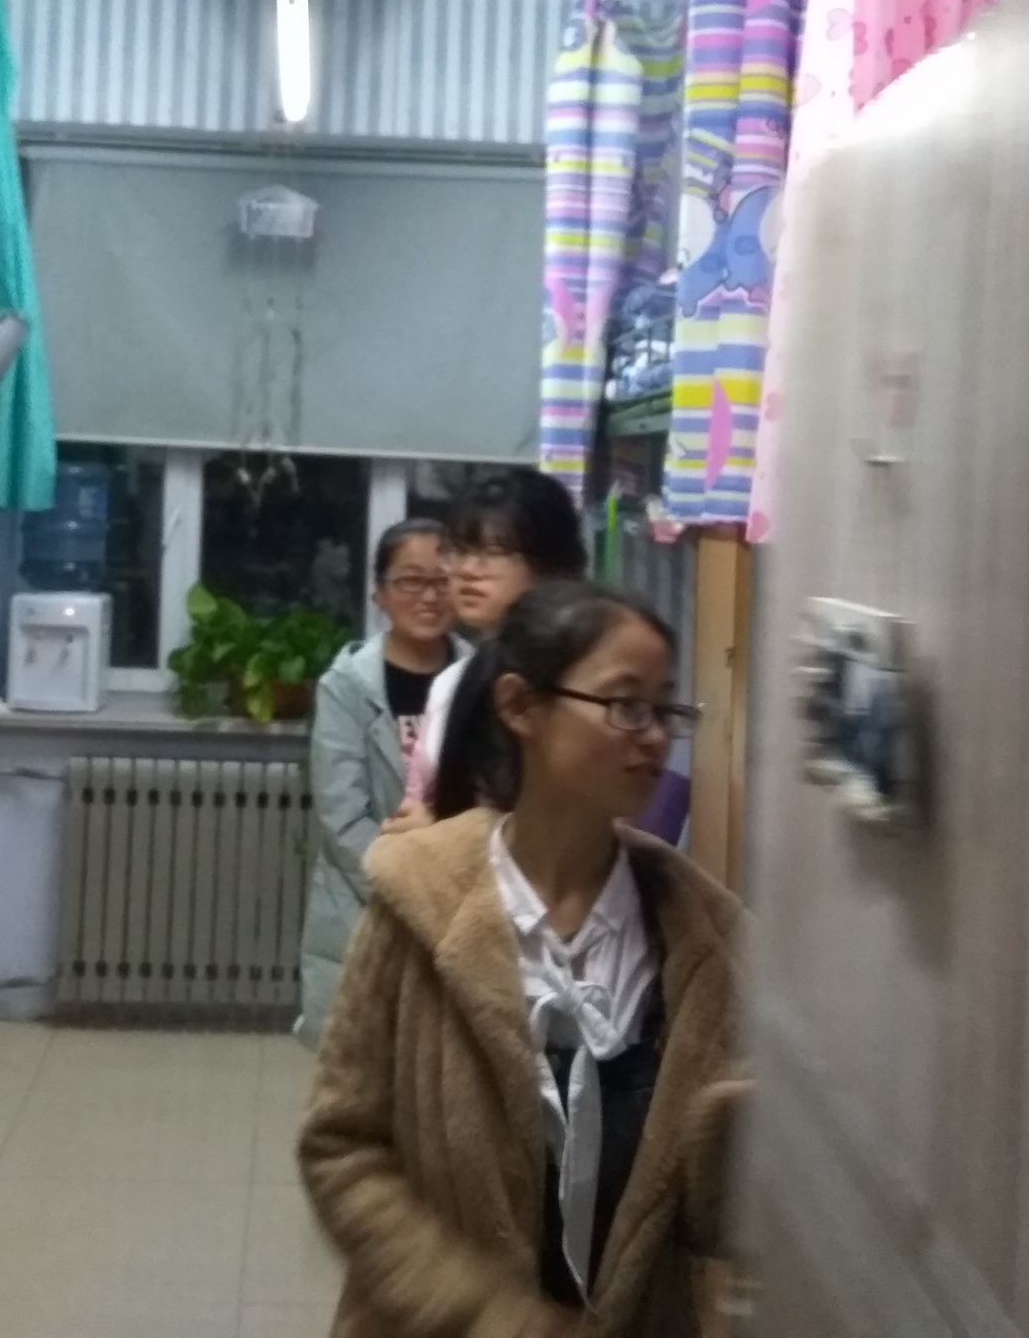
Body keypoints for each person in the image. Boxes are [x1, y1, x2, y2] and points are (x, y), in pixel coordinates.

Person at [299, 581, 744, 1337]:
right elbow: (340, 1148)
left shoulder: (702, 937)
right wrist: (484, 1313)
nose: (654, 737)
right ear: (520, 705)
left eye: (666, 709)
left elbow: (711, 1219)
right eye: (625, 704)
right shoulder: (419, 901)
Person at [296, 520, 463, 1049]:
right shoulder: (347, 686)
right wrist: (411, 894)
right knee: (365, 1069)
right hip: (368, 903)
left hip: (462, 903)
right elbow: (342, 816)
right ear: (380, 592)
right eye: (411, 581)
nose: (429, 596)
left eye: (442, 581)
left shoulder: (481, 679)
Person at [380, 468, 587, 834]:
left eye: (492, 552)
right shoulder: (454, 679)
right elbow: (420, 803)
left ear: (550, 563)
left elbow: (572, 818)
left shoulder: (579, 675)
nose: (467, 570)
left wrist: (441, 831)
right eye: (460, 551)